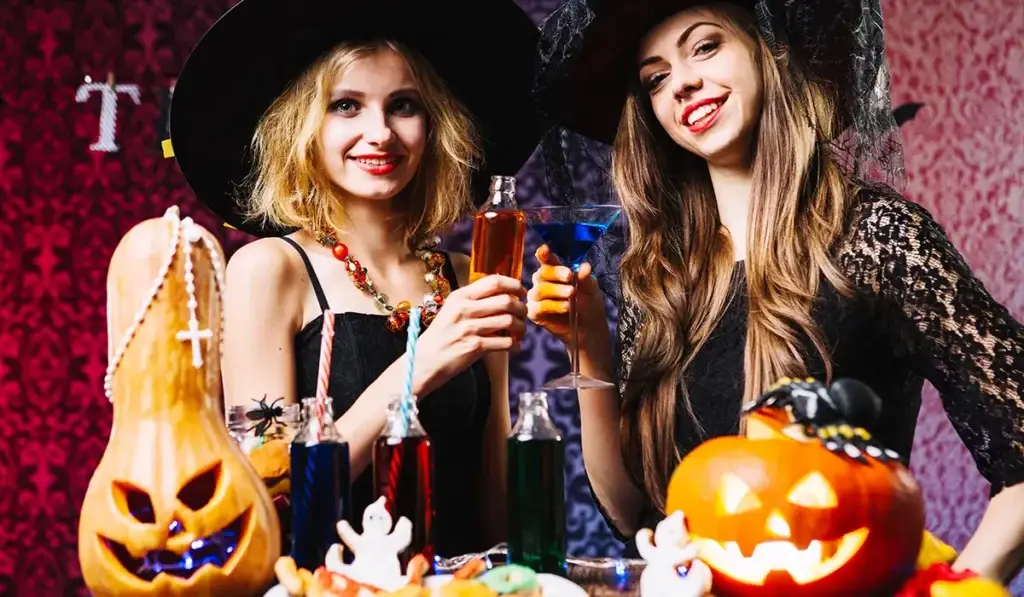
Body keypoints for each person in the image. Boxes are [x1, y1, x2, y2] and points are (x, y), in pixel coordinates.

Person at [527, 0, 1024, 581]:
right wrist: (589, 344)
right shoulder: (662, 277)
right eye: (656, 78)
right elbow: (632, 511)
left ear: (770, 52)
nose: (683, 82)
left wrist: (952, 593)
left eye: (706, 46)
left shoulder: (879, 239)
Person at [170, 0, 542, 556]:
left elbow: (492, 514)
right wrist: (422, 365)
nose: (381, 133)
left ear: (435, 125)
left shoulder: (466, 277)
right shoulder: (269, 271)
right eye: (346, 106)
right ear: (304, 127)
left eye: (403, 105)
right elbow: (266, 502)